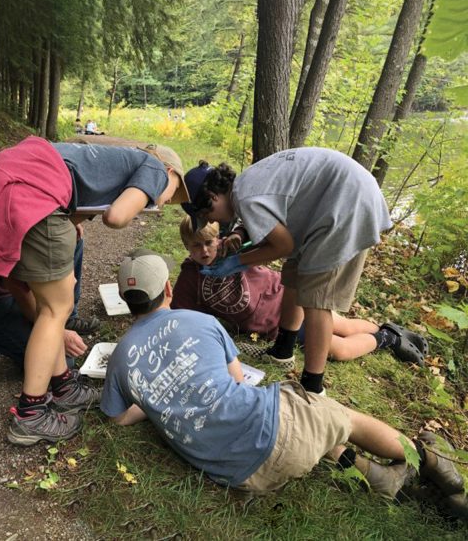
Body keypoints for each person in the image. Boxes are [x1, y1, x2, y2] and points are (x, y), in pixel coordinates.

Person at [101, 249, 466, 510]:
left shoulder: (119, 357)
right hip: (269, 432)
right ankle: (426, 458)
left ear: (123, 298)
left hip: (238, 475)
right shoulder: (201, 321)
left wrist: (157, 399)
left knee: (309, 429)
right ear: (167, 290)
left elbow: (118, 417)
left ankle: (380, 477)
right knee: (333, 415)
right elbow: (239, 378)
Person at [0, 136, 188, 445]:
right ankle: (31, 414)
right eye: (173, 194)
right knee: (56, 309)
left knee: (54, 303)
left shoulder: (102, 160)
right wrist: (147, 197)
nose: (165, 202)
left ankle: (64, 386)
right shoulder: (154, 167)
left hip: (10, 183)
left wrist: (72, 223)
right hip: (32, 195)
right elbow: (116, 217)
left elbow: (76, 191)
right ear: (170, 170)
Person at [179, 149, 392, 395]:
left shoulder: (246, 197)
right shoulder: (243, 187)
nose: (210, 220)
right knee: (293, 274)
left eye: (206, 215)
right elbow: (268, 215)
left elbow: (283, 246)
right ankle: (283, 350)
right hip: (334, 200)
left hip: (349, 204)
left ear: (212, 196)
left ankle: (312, 388)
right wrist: (240, 234)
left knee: (316, 298)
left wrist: (238, 261)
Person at [172, 216, 428, 364]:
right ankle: (389, 338)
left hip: (289, 303)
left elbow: (267, 241)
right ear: (186, 246)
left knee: (345, 325)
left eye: (208, 243)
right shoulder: (189, 278)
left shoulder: (234, 250)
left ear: (218, 239)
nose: (204, 251)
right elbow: (179, 315)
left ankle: (388, 330)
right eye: (195, 246)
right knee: (337, 350)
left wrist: (239, 241)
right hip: (274, 328)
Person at [0, 225, 100, 370]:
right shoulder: (20, 233)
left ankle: (66, 318)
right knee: (59, 362)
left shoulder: (48, 217)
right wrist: (56, 331)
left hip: (15, 286)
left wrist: (71, 225)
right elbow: (21, 293)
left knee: (73, 238)